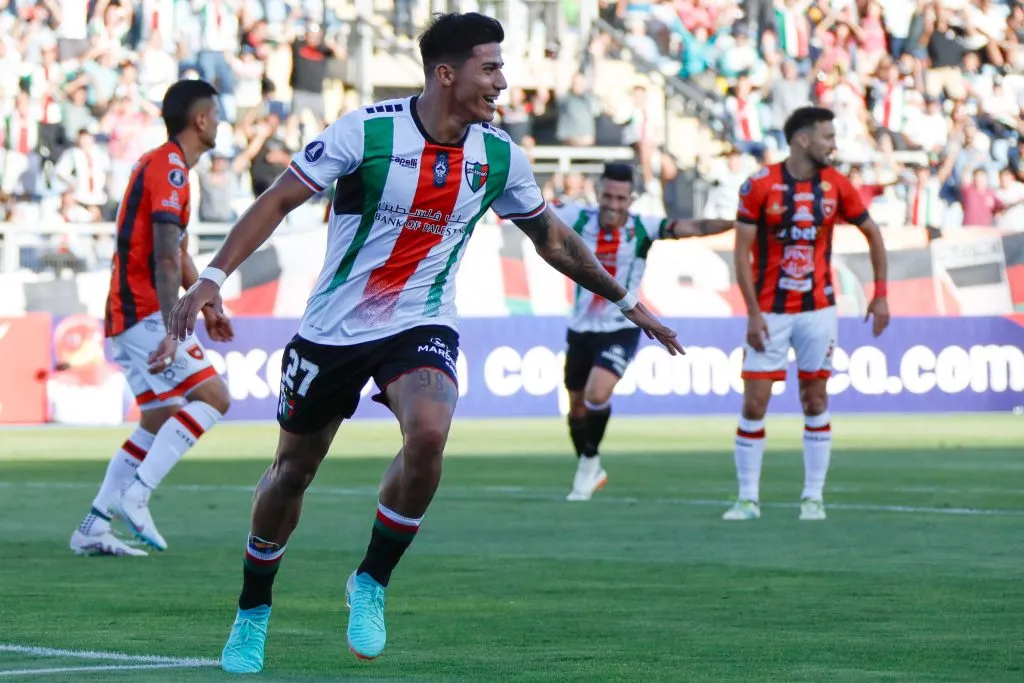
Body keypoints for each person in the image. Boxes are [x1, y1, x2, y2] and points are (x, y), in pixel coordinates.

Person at [166, 12, 684, 675]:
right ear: (448, 73)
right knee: (292, 471)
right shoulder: (367, 130)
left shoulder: (499, 156)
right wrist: (211, 277)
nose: (502, 81)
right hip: (332, 330)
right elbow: (277, 202)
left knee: (430, 433)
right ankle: (253, 608)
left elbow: (552, 239)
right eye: (489, 67)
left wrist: (626, 300)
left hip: (421, 321)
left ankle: (371, 580)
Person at [69, 79, 234, 557]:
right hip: (141, 310)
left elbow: (177, 251)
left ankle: (93, 525)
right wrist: (171, 327)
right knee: (214, 397)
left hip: (126, 311)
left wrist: (208, 302)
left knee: (160, 415)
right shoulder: (171, 170)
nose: (220, 122)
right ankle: (136, 494)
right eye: (217, 114)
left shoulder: (169, 166)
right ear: (200, 120)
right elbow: (164, 258)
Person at [723, 106, 890, 522]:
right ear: (802, 139)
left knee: (815, 398)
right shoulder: (760, 185)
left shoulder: (836, 185)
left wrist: (881, 294)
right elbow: (740, 254)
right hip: (771, 313)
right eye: (827, 137)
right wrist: (753, 312)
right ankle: (747, 498)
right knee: (755, 404)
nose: (834, 144)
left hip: (818, 310)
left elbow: (873, 233)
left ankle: (813, 497)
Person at [554, 162, 733, 501]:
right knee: (576, 406)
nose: (613, 204)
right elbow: (531, 209)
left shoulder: (644, 228)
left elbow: (696, 226)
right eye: (608, 195)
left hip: (623, 325)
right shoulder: (576, 217)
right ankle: (590, 463)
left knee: (596, 393)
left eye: (621, 198)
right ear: (597, 192)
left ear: (631, 198)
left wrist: (740, 222)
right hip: (580, 328)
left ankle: (588, 467)